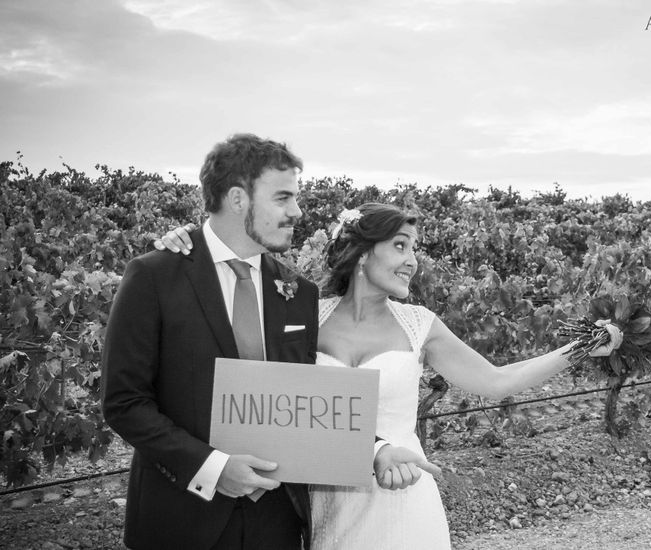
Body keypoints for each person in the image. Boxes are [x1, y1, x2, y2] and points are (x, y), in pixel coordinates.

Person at [156, 202, 622, 549]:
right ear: (361, 255)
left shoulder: (420, 324)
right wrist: (191, 244)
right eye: (399, 246)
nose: (412, 259)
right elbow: (235, 318)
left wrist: (581, 346)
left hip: (404, 494)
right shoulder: (300, 314)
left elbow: (498, 380)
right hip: (328, 504)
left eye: (414, 248)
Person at [103, 135, 433, 550]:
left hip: (275, 525)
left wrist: (377, 450)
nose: (296, 211)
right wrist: (213, 467)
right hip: (180, 520)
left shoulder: (298, 291)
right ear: (238, 198)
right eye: (283, 198)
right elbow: (124, 401)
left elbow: (305, 403)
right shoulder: (154, 277)